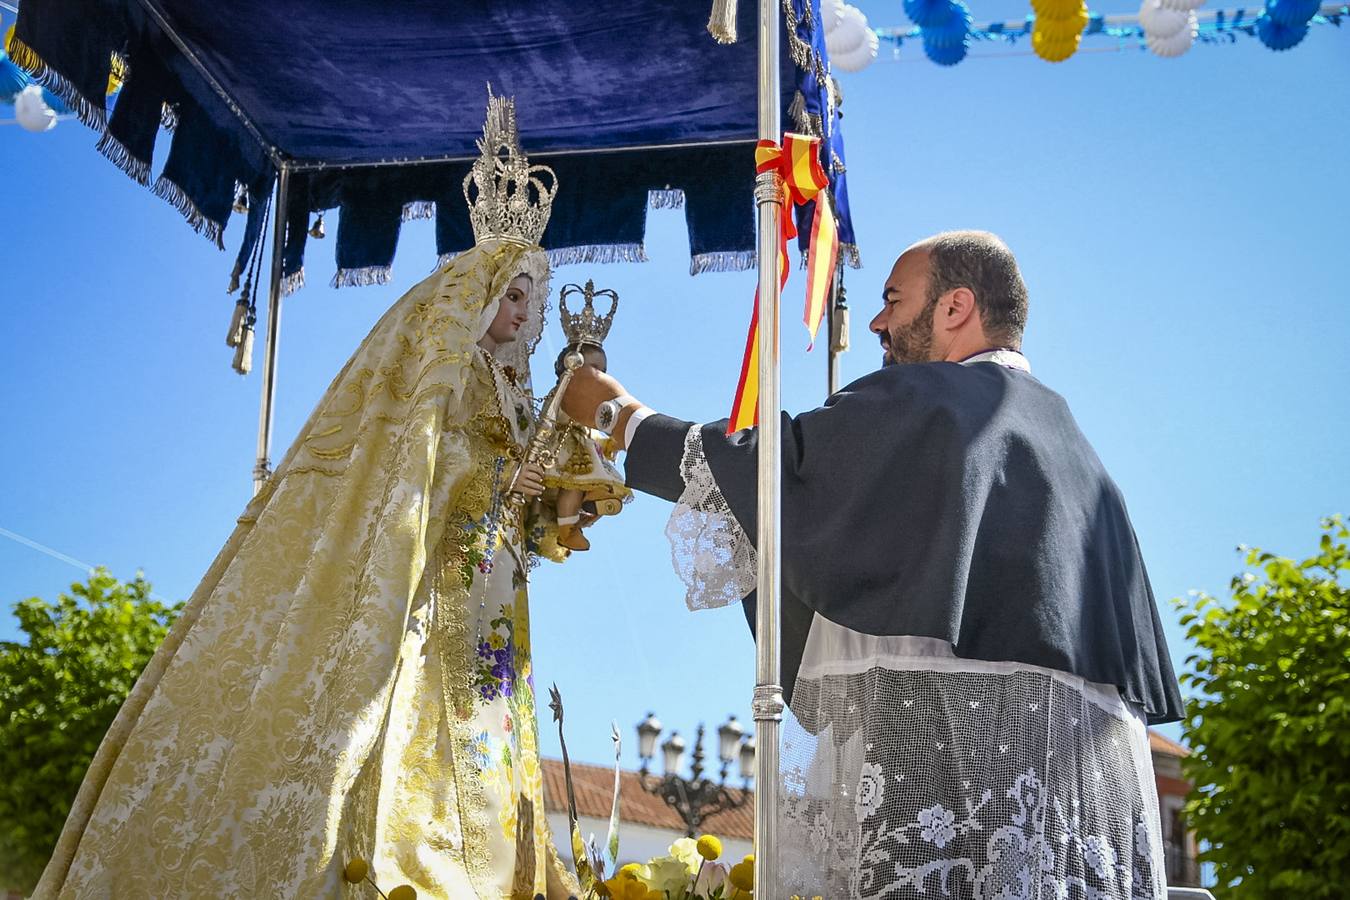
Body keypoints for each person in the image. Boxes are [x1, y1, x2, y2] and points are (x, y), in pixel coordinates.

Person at [35, 92, 581, 899]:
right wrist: (502, 481)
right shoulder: (447, 369)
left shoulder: (516, 391)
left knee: (486, 725)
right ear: (474, 292)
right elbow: (422, 461)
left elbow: (513, 497)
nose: (525, 307)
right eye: (512, 290)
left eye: (531, 293)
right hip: (432, 579)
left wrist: (543, 496)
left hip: (489, 583)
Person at [562, 231, 1184, 899]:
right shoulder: (1083, 460)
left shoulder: (932, 402)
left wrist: (617, 415)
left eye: (894, 300)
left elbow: (775, 476)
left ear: (956, 308)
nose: (880, 324)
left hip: (933, 798)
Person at [542, 342, 629, 552]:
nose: (600, 377)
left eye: (603, 372)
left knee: (603, 483)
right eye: (594, 369)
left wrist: (610, 443)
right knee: (573, 486)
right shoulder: (563, 392)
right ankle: (568, 528)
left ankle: (589, 507)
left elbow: (593, 431)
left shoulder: (594, 404)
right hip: (565, 451)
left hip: (584, 448)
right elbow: (552, 419)